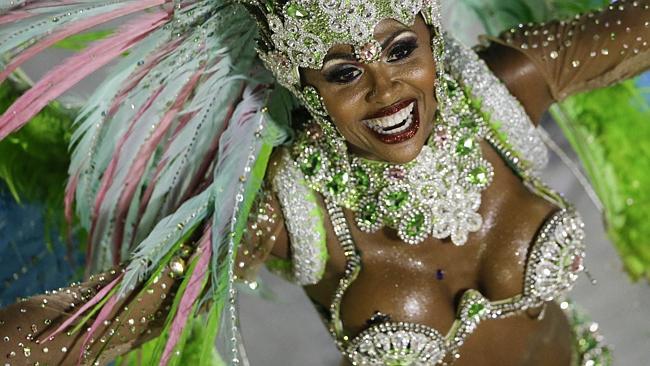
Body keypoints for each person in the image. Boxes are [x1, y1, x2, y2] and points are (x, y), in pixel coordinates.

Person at [0, 0, 648, 365]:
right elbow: (102, 317)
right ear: (298, 82)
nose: (386, 90)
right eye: (343, 72)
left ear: (430, 31)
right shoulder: (290, 215)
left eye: (401, 50)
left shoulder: (501, 91)